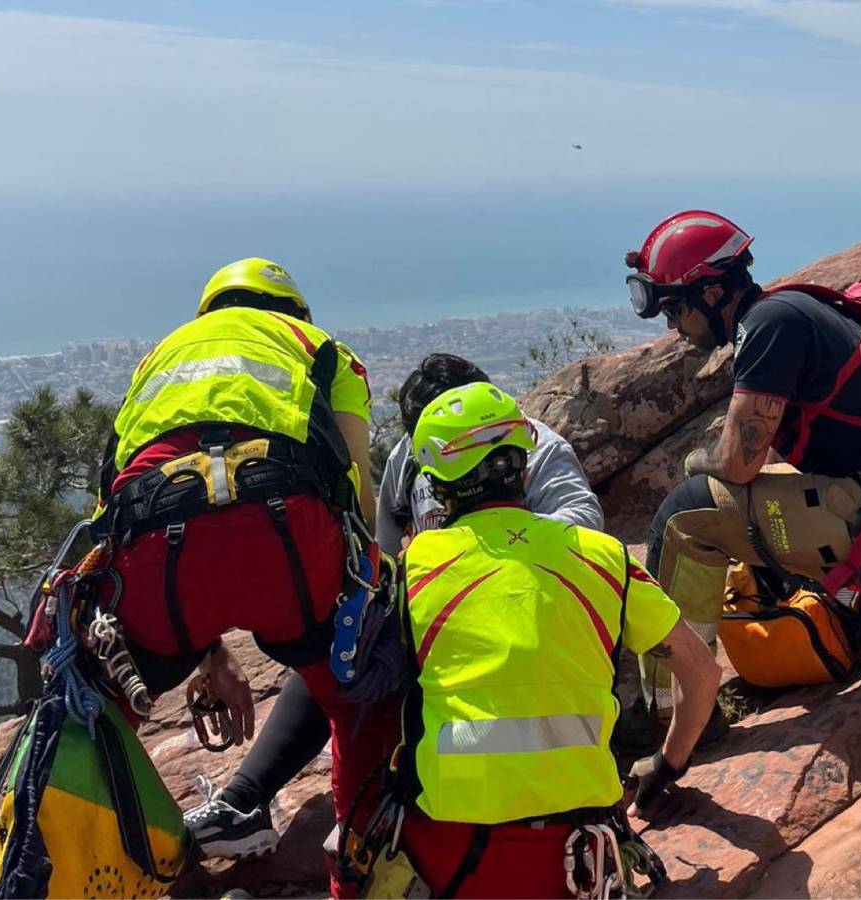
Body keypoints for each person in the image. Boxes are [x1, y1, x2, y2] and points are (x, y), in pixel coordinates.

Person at [188, 353, 603, 860]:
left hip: (525, 609)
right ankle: (243, 801)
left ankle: (392, 807)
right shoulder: (412, 455)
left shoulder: (529, 447)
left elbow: (583, 524)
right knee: (343, 648)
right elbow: (380, 550)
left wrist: (483, 553)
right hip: (443, 609)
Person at [90, 258, 392, 897]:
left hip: (155, 543)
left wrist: (207, 653)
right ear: (294, 312)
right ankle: (362, 869)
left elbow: (108, 499)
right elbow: (357, 487)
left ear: (210, 311)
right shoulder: (321, 349)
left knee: (98, 708)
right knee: (354, 691)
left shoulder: (158, 358)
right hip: (287, 534)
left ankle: (120, 860)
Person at [624, 210, 861, 722]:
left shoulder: (769, 327)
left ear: (713, 294)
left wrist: (697, 461)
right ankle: (836, 606)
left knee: (686, 512)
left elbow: (737, 464)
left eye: (675, 310)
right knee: (744, 498)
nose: (673, 327)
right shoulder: (786, 310)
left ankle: (668, 712)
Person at [377, 381, 719, 898]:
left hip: (450, 856)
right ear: (523, 463)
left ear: (439, 487)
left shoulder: (411, 571)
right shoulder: (604, 558)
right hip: (575, 857)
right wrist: (666, 766)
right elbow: (703, 673)